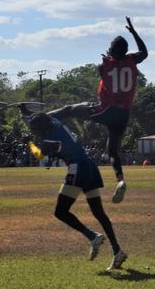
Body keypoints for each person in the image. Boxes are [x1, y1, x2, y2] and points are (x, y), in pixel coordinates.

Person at [27, 16, 147, 204]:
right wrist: (134, 33)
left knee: (69, 109)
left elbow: (108, 66)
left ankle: (38, 118)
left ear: (112, 51)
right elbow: (143, 52)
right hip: (123, 115)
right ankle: (120, 180)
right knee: (112, 151)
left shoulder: (104, 65)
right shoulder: (132, 60)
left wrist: (110, 56)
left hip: (106, 109)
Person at [23, 111, 128, 271]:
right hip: (90, 166)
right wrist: (25, 112)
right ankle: (117, 250)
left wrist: (30, 143)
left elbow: (38, 155)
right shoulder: (55, 121)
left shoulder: (49, 141)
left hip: (77, 168)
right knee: (99, 212)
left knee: (61, 211)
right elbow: (40, 117)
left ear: (41, 128)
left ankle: (92, 236)